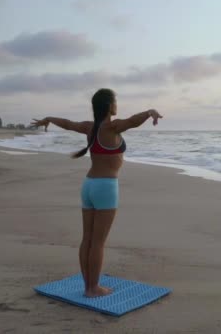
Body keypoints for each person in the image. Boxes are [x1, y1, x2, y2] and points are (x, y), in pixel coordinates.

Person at [31, 88, 163, 297]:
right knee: (98, 242)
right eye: (115, 100)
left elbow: (67, 123)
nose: (117, 104)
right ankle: (93, 288)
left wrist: (48, 118)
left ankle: (88, 287)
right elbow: (132, 121)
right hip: (106, 187)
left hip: (89, 185)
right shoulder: (112, 127)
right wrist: (150, 112)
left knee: (88, 240)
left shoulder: (89, 127)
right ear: (110, 105)